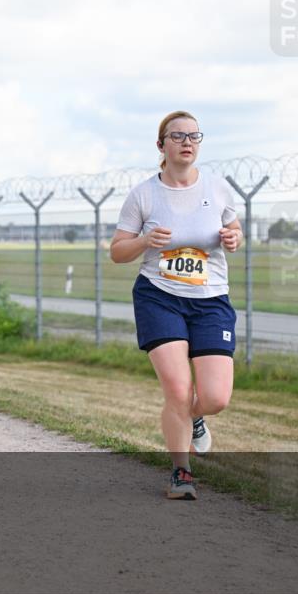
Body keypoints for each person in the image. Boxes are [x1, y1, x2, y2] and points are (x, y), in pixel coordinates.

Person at [111, 110, 242, 500]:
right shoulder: (144, 194)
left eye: (194, 136)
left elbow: (234, 229)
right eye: (178, 136)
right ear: (161, 145)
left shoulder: (218, 188)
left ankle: (195, 418)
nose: (187, 142)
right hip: (159, 296)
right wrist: (144, 242)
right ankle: (181, 473)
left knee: (215, 397)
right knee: (178, 389)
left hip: (210, 300)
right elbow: (117, 252)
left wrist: (234, 238)